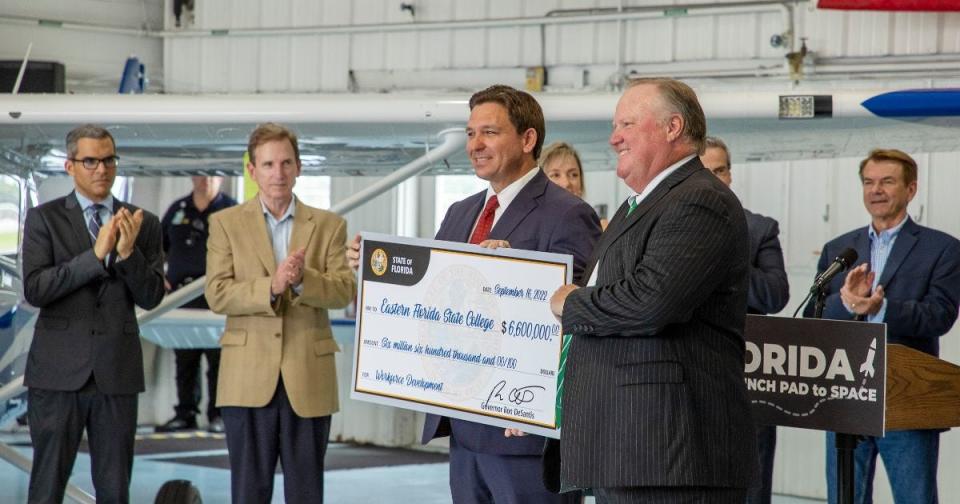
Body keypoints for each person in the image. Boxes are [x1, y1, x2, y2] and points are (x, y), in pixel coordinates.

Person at [346, 84, 601, 503]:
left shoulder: (568, 213)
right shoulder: (460, 212)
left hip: (525, 436)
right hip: (463, 430)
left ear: (528, 138)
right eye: (469, 134)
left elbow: (577, 316)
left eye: (489, 133)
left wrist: (517, 271)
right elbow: (433, 300)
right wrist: (377, 271)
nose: (475, 145)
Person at [546, 78, 758, 502]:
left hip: (670, 456)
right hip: (630, 450)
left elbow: (650, 302)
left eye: (626, 123)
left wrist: (572, 302)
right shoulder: (639, 204)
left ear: (672, 127)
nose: (613, 137)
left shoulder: (700, 199)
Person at [205, 122, 356, 503]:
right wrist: (271, 287)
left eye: (286, 163)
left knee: (306, 493)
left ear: (299, 167)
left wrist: (303, 280)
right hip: (245, 379)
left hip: (308, 377)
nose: (278, 173)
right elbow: (217, 293)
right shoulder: (224, 224)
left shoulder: (328, 225)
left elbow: (343, 291)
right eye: (269, 164)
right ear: (252, 170)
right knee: (248, 493)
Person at [804, 148, 960, 504]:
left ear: (911, 189)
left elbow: (940, 315)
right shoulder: (839, 250)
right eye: (869, 182)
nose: (876, 190)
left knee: (914, 498)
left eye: (887, 181)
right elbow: (814, 317)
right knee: (844, 497)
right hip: (846, 396)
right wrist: (848, 303)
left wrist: (881, 308)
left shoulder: (943, 249)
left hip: (906, 397)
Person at [21, 124, 165, 503]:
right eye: (90, 161)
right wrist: (96, 256)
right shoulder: (44, 219)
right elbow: (36, 289)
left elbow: (151, 297)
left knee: (115, 489)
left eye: (108, 160)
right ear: (70, 166)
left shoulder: (143, 223)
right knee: (47, 486)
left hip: (116, 373)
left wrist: (129, 255)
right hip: (56, 375)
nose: (101, 169)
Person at [701, 136, 789, 504]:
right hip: (688, 383)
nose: (712, 178)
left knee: (751, 492)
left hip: (749, 383)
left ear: (731, 174)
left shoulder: (759, 229)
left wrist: (723, 259)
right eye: (703, 171)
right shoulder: (665, 228)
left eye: (719, 170)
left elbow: (774, 295)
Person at [156, 176, 236, 434]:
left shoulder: (233, 210)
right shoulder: (177, 209)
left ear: (221, 178)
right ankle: (186, 412)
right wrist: (158, 276)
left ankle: (219, 414)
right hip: (182, 296)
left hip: (217, 296)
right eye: (200, 175)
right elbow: (156, 247)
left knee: (219, 358)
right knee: (185, 357)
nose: (205, 181)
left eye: (211, 175)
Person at [540, 141, 608, 230]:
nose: (566, 183)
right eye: (556, 175)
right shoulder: (530, 227)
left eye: (573, 175)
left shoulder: (594, 227)